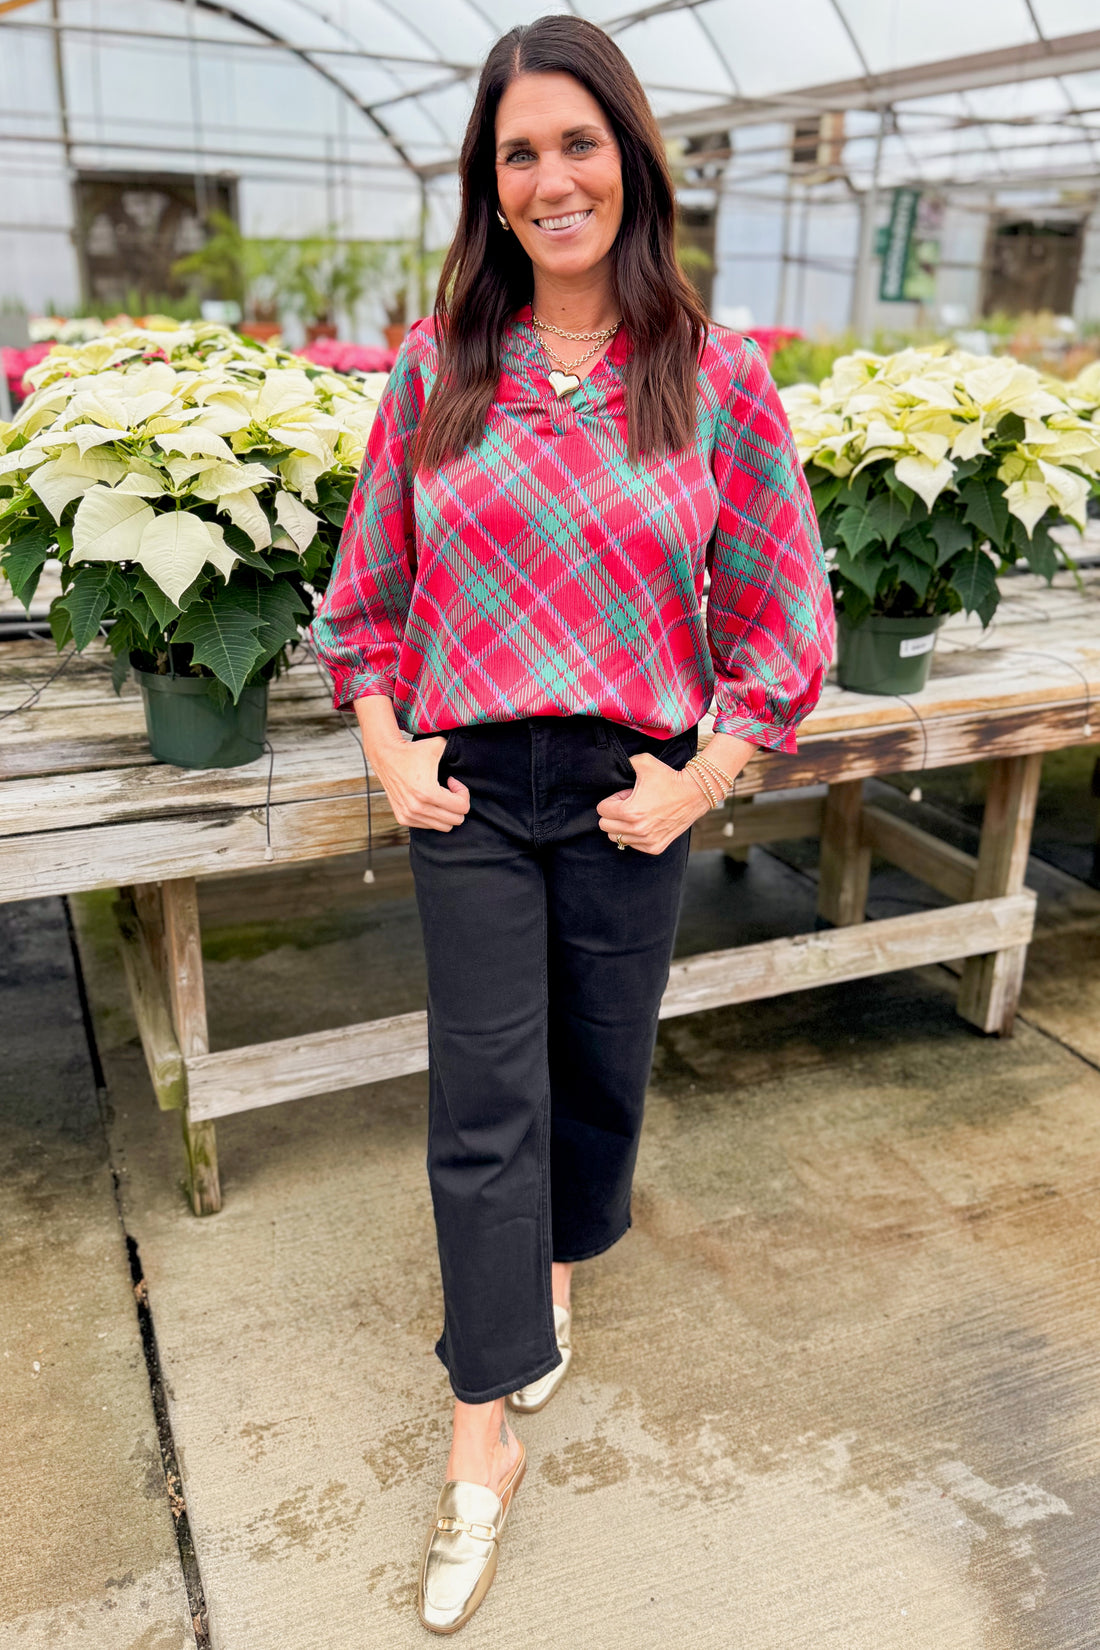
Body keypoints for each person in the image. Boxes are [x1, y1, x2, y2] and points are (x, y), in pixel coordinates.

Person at [310, 13, 833, 1635]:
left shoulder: (715, 376)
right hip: (467, 786)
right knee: (483, 1102)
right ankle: (482, 1451)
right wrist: (392, 746)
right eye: (518, 151)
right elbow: (368, 597)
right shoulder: (435, 369)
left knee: (597, 1079)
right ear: (491, 180)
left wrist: (702, 774)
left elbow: (782, 608)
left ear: (630, 158)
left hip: (628, 790)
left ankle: (547, 1273)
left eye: (576, 143)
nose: (550, 178)